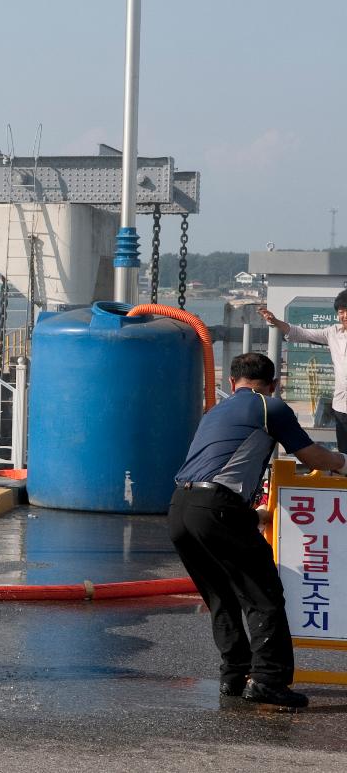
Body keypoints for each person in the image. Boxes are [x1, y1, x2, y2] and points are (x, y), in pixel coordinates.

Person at [171, 352, 347, 710]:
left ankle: (234, 675)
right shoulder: (271, 407)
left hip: (180, 508)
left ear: (231, 383)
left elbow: (216, 475)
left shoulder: (215, 412)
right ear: (273, 384)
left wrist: (255, 517)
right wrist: (344, 463)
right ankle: (268, 680)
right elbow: (312, 458)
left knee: (221, 596)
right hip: (216, 509)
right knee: (263, 595)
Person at [259, 290, 347, 452]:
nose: (345, 316)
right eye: (341, 312)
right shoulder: (333, 332)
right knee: (345, 452)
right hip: (342, 406)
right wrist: (276, 321)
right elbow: (302, 333)